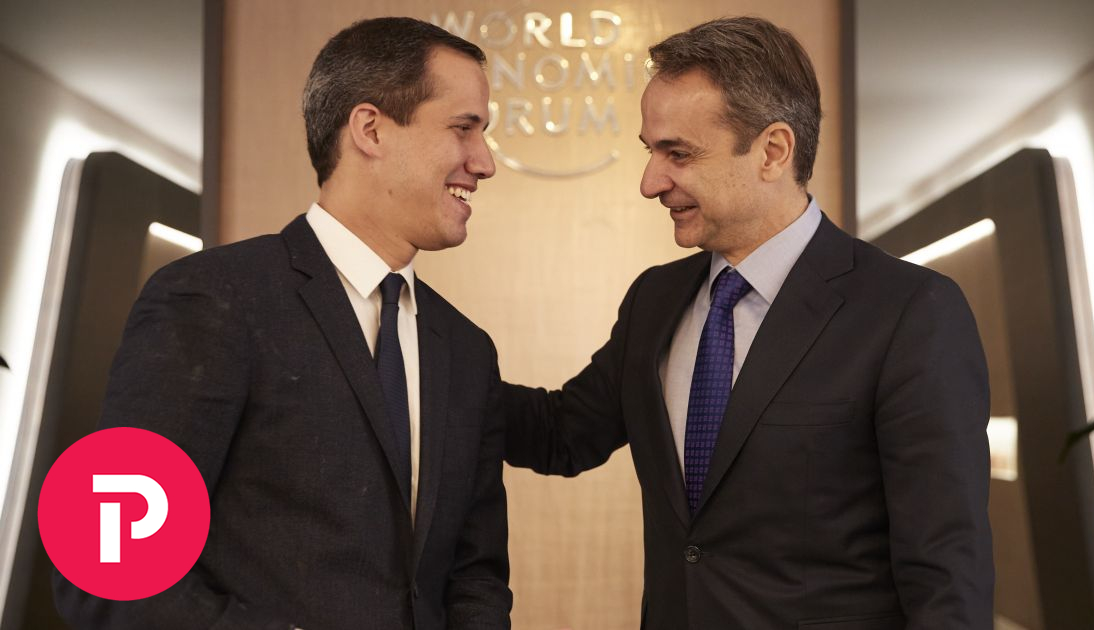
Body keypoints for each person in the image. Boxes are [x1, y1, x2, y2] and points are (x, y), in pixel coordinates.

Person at [503, 16, 993, 630]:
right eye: (651, 151)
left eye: (679, 153)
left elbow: (945, 571)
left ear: (773, 151)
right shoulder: (654, 300)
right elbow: (562, 434)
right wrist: (425, 358)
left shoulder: (910, 311)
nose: (650, 182)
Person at [53, 17, 510, 630]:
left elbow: (475, 575)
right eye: (463, 128)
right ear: (371, 129)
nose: (484, 162)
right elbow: (108, 565)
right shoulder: (212, 299)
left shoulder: (467, 350)